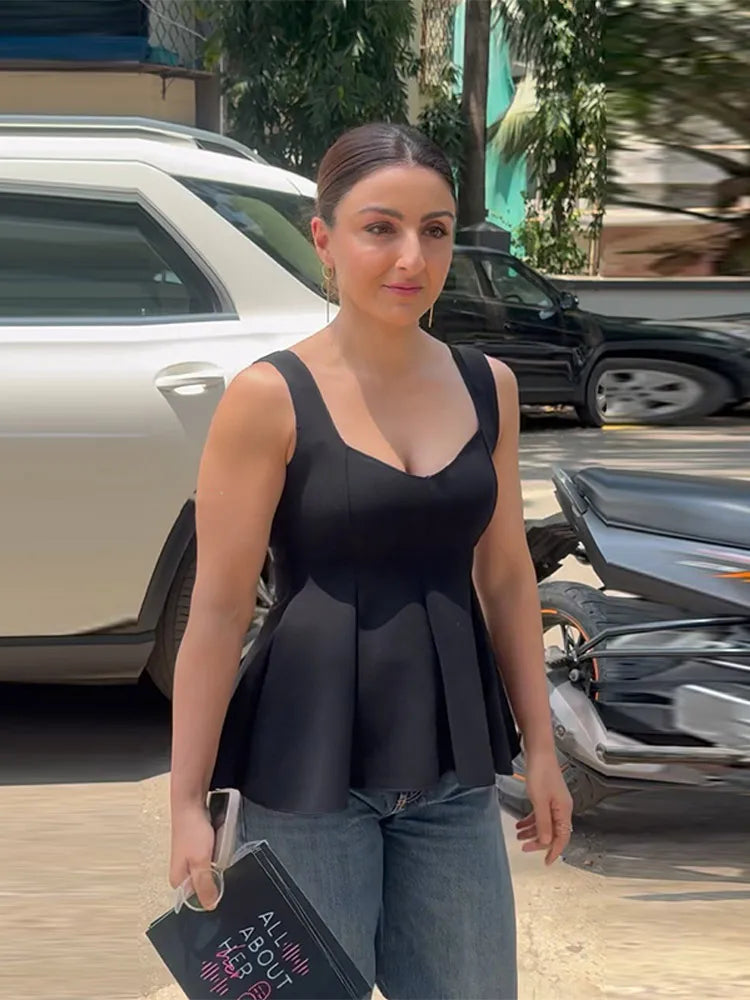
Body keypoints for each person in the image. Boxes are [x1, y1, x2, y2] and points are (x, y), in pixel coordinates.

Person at [168, 122, 573, 1000]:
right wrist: (186, 805)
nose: (411, 258)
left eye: (434, 230)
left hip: (452, 773)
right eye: (380, 227)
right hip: (304, 772)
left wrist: (542, 748)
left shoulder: (487, 386)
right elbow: (218, 610)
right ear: (324, 238)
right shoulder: (268, 397)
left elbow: (505, 577)